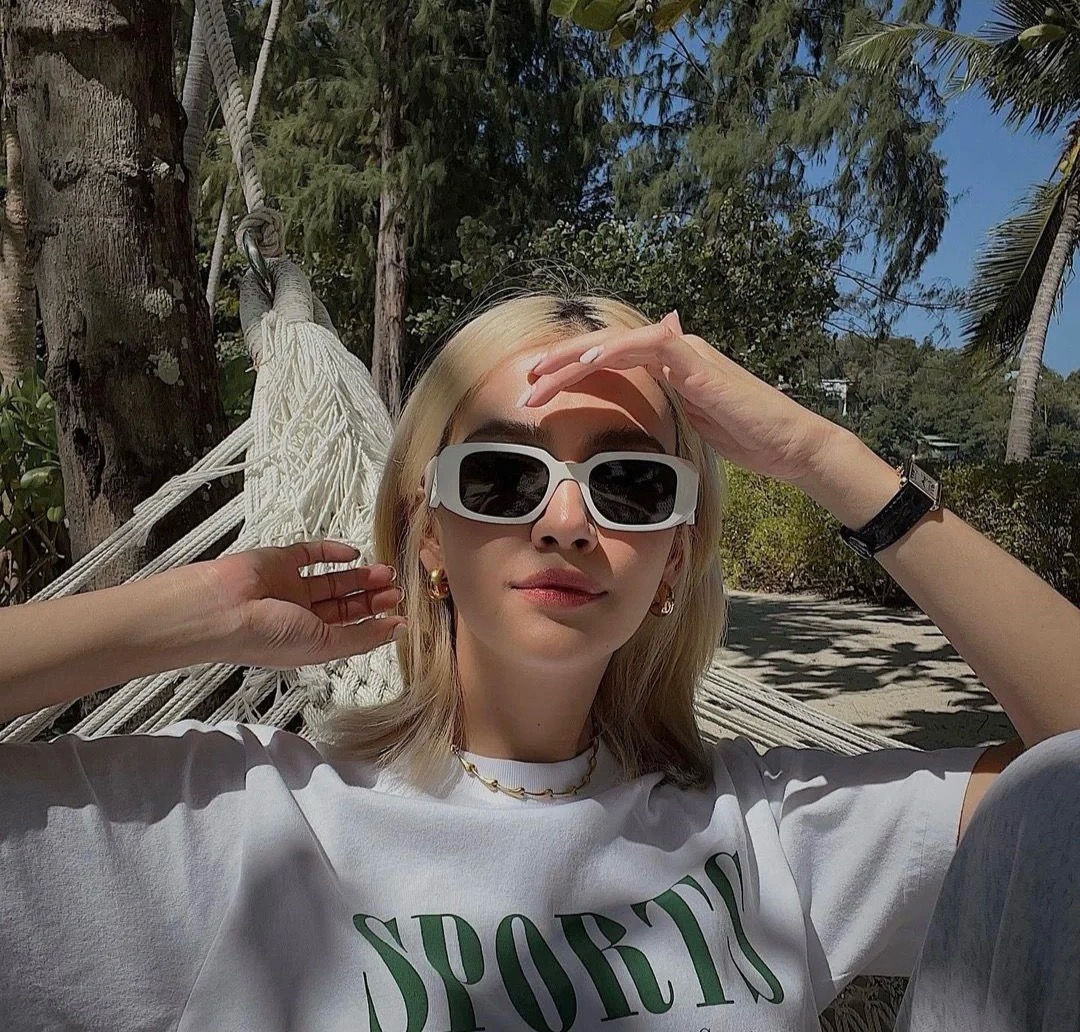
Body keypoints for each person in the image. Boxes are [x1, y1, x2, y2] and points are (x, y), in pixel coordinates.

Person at [0, 293, 1077, 1032]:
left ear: (674, 559)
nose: (565, 522)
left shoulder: (776, 829)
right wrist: (186, 613)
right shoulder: (238, 822)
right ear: (428, 534)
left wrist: (826, 460)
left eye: (633, 486)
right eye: (504, 477)